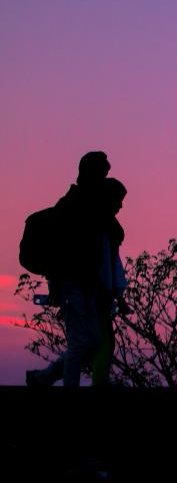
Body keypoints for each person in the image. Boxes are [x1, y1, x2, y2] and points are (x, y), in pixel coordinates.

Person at [26, 154, 127, 387]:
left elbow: (112, 237)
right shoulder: (73, 205)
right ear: (92, 173)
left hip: (86, 284)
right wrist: (56, 282)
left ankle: (43, 377)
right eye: (102, 174)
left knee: (91, 341)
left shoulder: (90, 205)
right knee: (81, 343)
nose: (104, 178)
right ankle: (63, 383)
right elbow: (60, 249)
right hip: (72, 283)